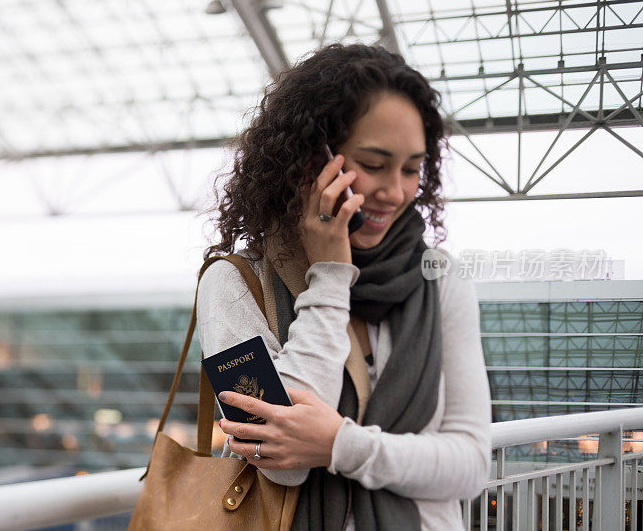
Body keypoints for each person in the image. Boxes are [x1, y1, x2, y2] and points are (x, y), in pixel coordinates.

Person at [196, 43, 491, 530]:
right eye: (373, 165)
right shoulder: (234, 283)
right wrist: (330, 277)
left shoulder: (438, 280)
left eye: (412, 168)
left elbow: (470, 463)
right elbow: (278, 461)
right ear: (311, 161)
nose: (395, 192)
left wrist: (339, 444)